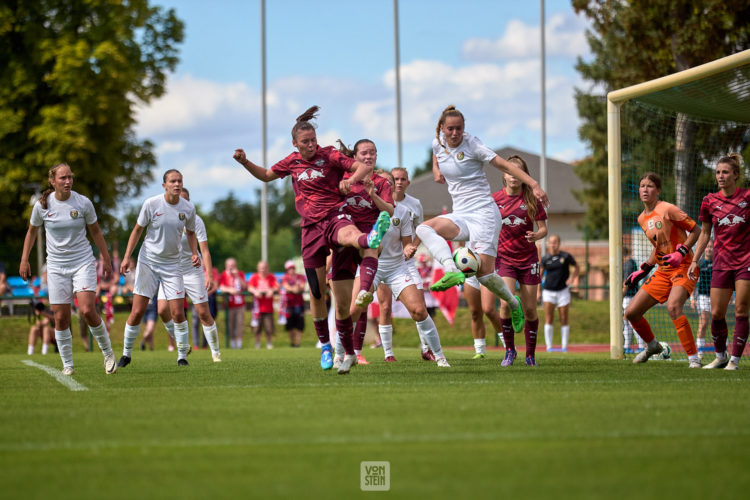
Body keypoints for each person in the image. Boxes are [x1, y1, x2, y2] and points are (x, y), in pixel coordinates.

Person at [232, 106, 390, 374]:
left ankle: (368, 240)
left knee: (349, 233)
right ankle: (326, 347)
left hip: (334, 215)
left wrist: (350, 180)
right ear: (295, 143)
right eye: (305, 142)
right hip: (310, 228)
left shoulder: (328, 154)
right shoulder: (290, 162)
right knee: (317, 293)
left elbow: (362, 166)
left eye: (313, 141)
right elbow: (267, 176)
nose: (310, 145)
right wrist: (245, 162)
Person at [409, 105, 549, 344]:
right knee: (423, 228)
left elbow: (505, 165)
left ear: (464, 129)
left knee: (484, 275)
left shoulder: (472, 144)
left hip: (485, 214)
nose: (455, 133)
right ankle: (452, 272)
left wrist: (534, 184)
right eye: (450, 129)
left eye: (459, 129)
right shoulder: (437, 144)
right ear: (442, 129)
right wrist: (436, 170)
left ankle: (513, 304)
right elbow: (437, 153)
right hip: (461, 214)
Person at [19, 163, 117, 375]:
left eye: (70, 177)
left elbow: (96, 231)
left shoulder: (83, 203)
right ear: (52, 181)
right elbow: (31, 232)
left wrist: (106, 258)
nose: (68, 181)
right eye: (63, 178)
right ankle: (68, 365)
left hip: (82, 262)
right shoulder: (42, 206)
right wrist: (24, 259)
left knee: (87, 310)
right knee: (61, 318)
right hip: (55, 267)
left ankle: (108, 354)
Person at [352, 170, 450, 367]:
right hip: (373, 266)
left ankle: (438, 355)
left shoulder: (404, 210)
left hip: (398, 267)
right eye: (385, 182)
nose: (390, 185)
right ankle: (344, 355)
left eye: (392, 182)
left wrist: (409, 248)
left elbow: (407, 241)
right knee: (356, 308)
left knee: (419, 310)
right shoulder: (363, 209)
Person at [117, 169, 200, 368]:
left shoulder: (188, 208)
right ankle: (126, 355)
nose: (177, 184)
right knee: (137, 311)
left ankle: (182, 357)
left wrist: (195, 252)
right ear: (164, 185)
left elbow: (190, 232)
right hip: (149, 262)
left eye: (180, 181)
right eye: (173, 181)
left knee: (178, 313)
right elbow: (137, 230)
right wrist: (127, 257)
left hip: (173, 264)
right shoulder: (151, 204)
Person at [624, 172, 702, 367]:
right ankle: (652, 346)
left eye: (650, 186)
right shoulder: (642, 218)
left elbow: (696, 230)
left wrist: (682, 252)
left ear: (658, 190)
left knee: (674, 307)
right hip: (663, 270)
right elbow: (658, 248)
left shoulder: (668, 209)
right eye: (642, 186)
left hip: (683, 267)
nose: (645, 189)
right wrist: (643, 269)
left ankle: (694, 359)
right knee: (631, 312)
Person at [334, 140, 394, 366]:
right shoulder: (343, 179)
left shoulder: (381, 182)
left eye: (372, 153)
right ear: (355, 156)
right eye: (364, 153)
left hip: (368, 239)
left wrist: (374, 195)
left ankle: (347, 352)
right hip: (344, 241)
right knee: (342, 307)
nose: (369, 157)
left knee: (357, 305)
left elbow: (389, 211)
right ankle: (340, 352)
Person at [688, 154, 750, 370]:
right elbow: (705, 233)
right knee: (716, 313)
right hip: (721, 262)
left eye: (725, 172)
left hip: (745, 262)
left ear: (735, 174)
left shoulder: (748, 196)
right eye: (718, 172)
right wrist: (694, 260)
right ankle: (721, 356)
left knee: (741, 310)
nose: (721, 176)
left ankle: (734, 360)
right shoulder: (709, 200)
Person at [487, 155, 548, 366]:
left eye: (518, 172)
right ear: (504, 175)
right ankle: (510, 351)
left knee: (531, 310)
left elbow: (543, 229)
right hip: (504, 260)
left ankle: (530, 355)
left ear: (524, 176)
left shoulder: (531, 200)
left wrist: (536, 236)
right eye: (509, 172)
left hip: (529, 259)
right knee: (505, 305)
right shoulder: (494, 200)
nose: (513, 176)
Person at [154, 187, 221, 361]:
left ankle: (215, 353)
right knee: (163, 310)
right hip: (171, 270)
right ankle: (182, 344)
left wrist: (210, 276)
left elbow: (204, 250)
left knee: (204, 313)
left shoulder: (195, 220)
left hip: (192, 271)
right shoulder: (163, 218)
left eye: (185, 200)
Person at [381, 167, 434, 360]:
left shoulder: (414, 204)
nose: (399, 182)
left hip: (407, 261)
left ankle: (426, 348)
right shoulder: (381, 202)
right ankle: (388, 352)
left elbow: (420, 228)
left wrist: (412, 247)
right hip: (384, 261)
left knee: (419, 305)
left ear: (408, 182)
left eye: (403, 179)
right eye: (396, 179)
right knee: (385, 306)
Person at [540, 235, 580, 352]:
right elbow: (540, 275)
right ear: (548, 244)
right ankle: (549, 346)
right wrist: (538, 291)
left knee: (564, 318)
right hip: (548, 292)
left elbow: (576, 267)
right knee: (549, 318)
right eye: (551, 242)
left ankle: (564, 347)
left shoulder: (565, 256)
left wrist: (572, 278)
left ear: (559, 243)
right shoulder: (545, 258)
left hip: (563, 291)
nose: (553, 244)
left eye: (555, 242)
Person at [248, 260, 279, 350]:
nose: (263, 269)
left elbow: (277, 286)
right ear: (258, 268)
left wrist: (272, 290)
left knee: (269, 328)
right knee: (257, 328)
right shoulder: (254, 277)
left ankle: (269, 343)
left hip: (268, 308)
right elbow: (249, 287)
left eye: (264, 267)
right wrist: (255, 291)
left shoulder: (271, 277)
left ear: (267, 268)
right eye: (261, 267)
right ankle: (257, 343)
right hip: (257, 309)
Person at [690, 240, 713, 359]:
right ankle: (700, 351)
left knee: (718, 322)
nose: (709, 249)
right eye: (707, 246)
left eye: (711, 246)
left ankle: (723, 350)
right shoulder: (700, 263)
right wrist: (692, 298)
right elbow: (693, 282)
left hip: (716, 296)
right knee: (703, 323)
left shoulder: (718, 262)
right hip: (703, 297)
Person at [219, 258, 247, 349]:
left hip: (240, 305)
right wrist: (230, 290)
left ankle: (239, 344)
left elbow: (245, 286)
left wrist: (237, 276)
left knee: (239, 324)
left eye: (233, 265)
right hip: (229, 305)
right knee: (230, 325)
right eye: (229, 265)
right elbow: (222, 287)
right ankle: (232, 344)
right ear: (226, 266)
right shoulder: (224, 275)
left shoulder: (240, 273)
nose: (231, 267)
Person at [622, 245, 643, 354]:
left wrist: (620, 295)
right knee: (627, 321)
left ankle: (640, 346)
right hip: (630, 297)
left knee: (631, 321)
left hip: (629, 297)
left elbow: (627, 282)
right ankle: (627, 346)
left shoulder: (628, 264)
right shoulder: (630, 263)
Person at [281, 260, 306, 347]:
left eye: (292, 268)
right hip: (289, 305)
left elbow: (302, 286)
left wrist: (292, 288)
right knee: (290, 324)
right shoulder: (285, 277)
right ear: (287, 270)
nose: (291, 270)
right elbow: (285, 286)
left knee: (299, 324)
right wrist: (294, 288)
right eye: (289, 268)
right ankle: (292, 342)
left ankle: (298, 343)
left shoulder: (300, 276)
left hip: (299, 304)